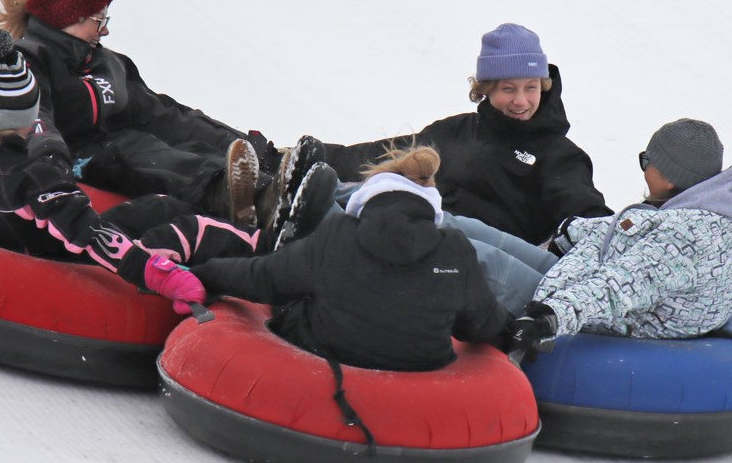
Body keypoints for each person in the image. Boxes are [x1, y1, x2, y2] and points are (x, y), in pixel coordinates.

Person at [0, 29, 323, 314]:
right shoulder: (33, 174)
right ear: (26, 113)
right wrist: (160, 274)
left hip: (19, 247)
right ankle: (275, 254)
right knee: (188, 228)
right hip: (61, 264)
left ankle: (260, 230)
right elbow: (92, 236)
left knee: (158, 207)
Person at [0, 0, 323, 231]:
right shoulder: (29, 60)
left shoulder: (108, 64)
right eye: (98, 18)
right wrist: (51, 162)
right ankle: (259, 203)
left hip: (120, 146)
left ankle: (280, 178)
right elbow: (33, 116)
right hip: (76, 160)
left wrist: (251, 148)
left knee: (182, 145)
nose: (105, 28)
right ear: (67, 18)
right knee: (147, 156)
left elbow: (162, 116)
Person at [160, 145, 512, 372]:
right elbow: (481, 324)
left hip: (326, 353)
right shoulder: (455, 251)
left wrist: (202, 274)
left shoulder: (339, 233)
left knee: (294, 293)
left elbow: (262, 279)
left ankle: (287, 236)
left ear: (370, 198)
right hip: (417, 370)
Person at [321, 23, 612, 245]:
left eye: (531, 87)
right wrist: (318, 156)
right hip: (414, 237)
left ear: (543, 86)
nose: (521, 101)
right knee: (359, 197)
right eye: (508, 89)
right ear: (486, 90)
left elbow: (586, 216)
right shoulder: (458, 131)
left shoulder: (559, 156)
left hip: (482, 268)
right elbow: (387, 155)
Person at [509, 118, 732, 351]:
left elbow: (618, 288)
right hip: (574, 278)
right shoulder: (698, 214)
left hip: (567, 304)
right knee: (477, 234)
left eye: (647, 160)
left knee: (485, 261)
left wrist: (548, 317)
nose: (644, 168)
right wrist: (573, 230)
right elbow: (628, 230)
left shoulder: (686, 238)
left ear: (670, 178)